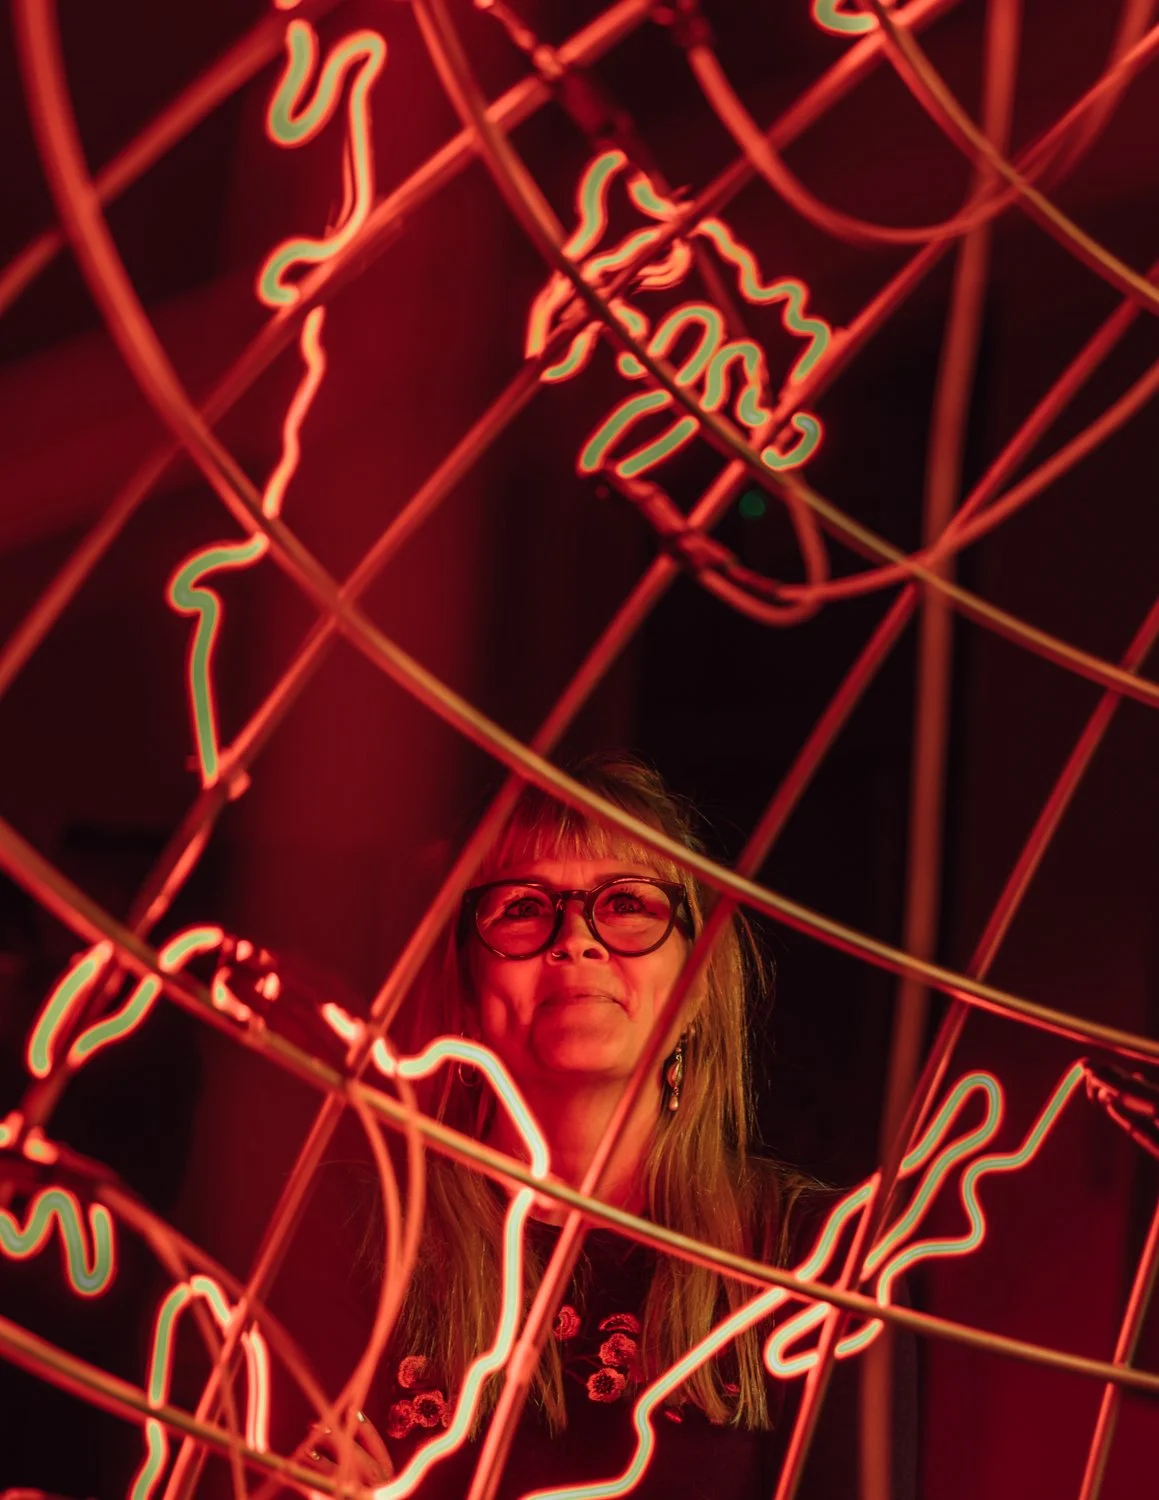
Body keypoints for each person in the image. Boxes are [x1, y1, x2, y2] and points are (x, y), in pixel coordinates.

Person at [355, 752, 915, 1498]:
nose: (576, 939)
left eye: (627, 905)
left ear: (695, 984)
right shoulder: (364, 1241)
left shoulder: (813, 1261)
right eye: (521, 907)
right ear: (462, 990)